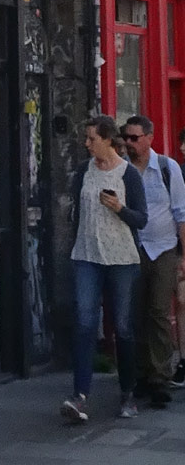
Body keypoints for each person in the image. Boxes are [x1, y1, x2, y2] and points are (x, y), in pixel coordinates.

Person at [61, 114, 149, 424]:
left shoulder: (128, 174)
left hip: (121, 259)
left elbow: (142, 219)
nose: (87, 144)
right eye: (86, 138)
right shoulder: (83, 171)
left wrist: (120, 209)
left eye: (92, 139)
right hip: (87, 256)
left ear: (108, 140)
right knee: (84, 323)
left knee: (122, 327)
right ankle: (79, 395)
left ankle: (128, 394)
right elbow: (75, 212)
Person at [121, 114, 185, 405]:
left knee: (159, 311)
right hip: (133, 248)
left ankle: (160, 377)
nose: (129, 143)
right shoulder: (122, 169)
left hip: (164, 248)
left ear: (149, 138)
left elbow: (181, 214)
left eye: (134, 138)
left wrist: (183, 256)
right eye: (126, 137)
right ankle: (142, 374)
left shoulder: (168, 168)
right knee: (136, 313)